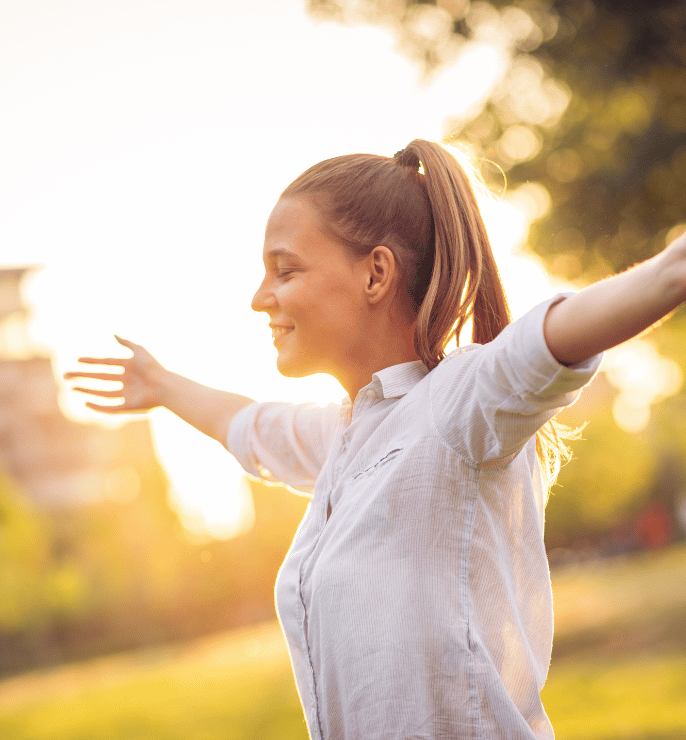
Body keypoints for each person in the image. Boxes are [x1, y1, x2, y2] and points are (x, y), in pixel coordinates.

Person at [64, 139, 686, 739]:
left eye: (285, 270)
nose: (260, 299)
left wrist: (671, 271)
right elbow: (250, 426)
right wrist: (162, 384)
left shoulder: (461, 404)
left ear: (376, 274)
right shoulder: (344, 438)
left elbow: (588, 317)